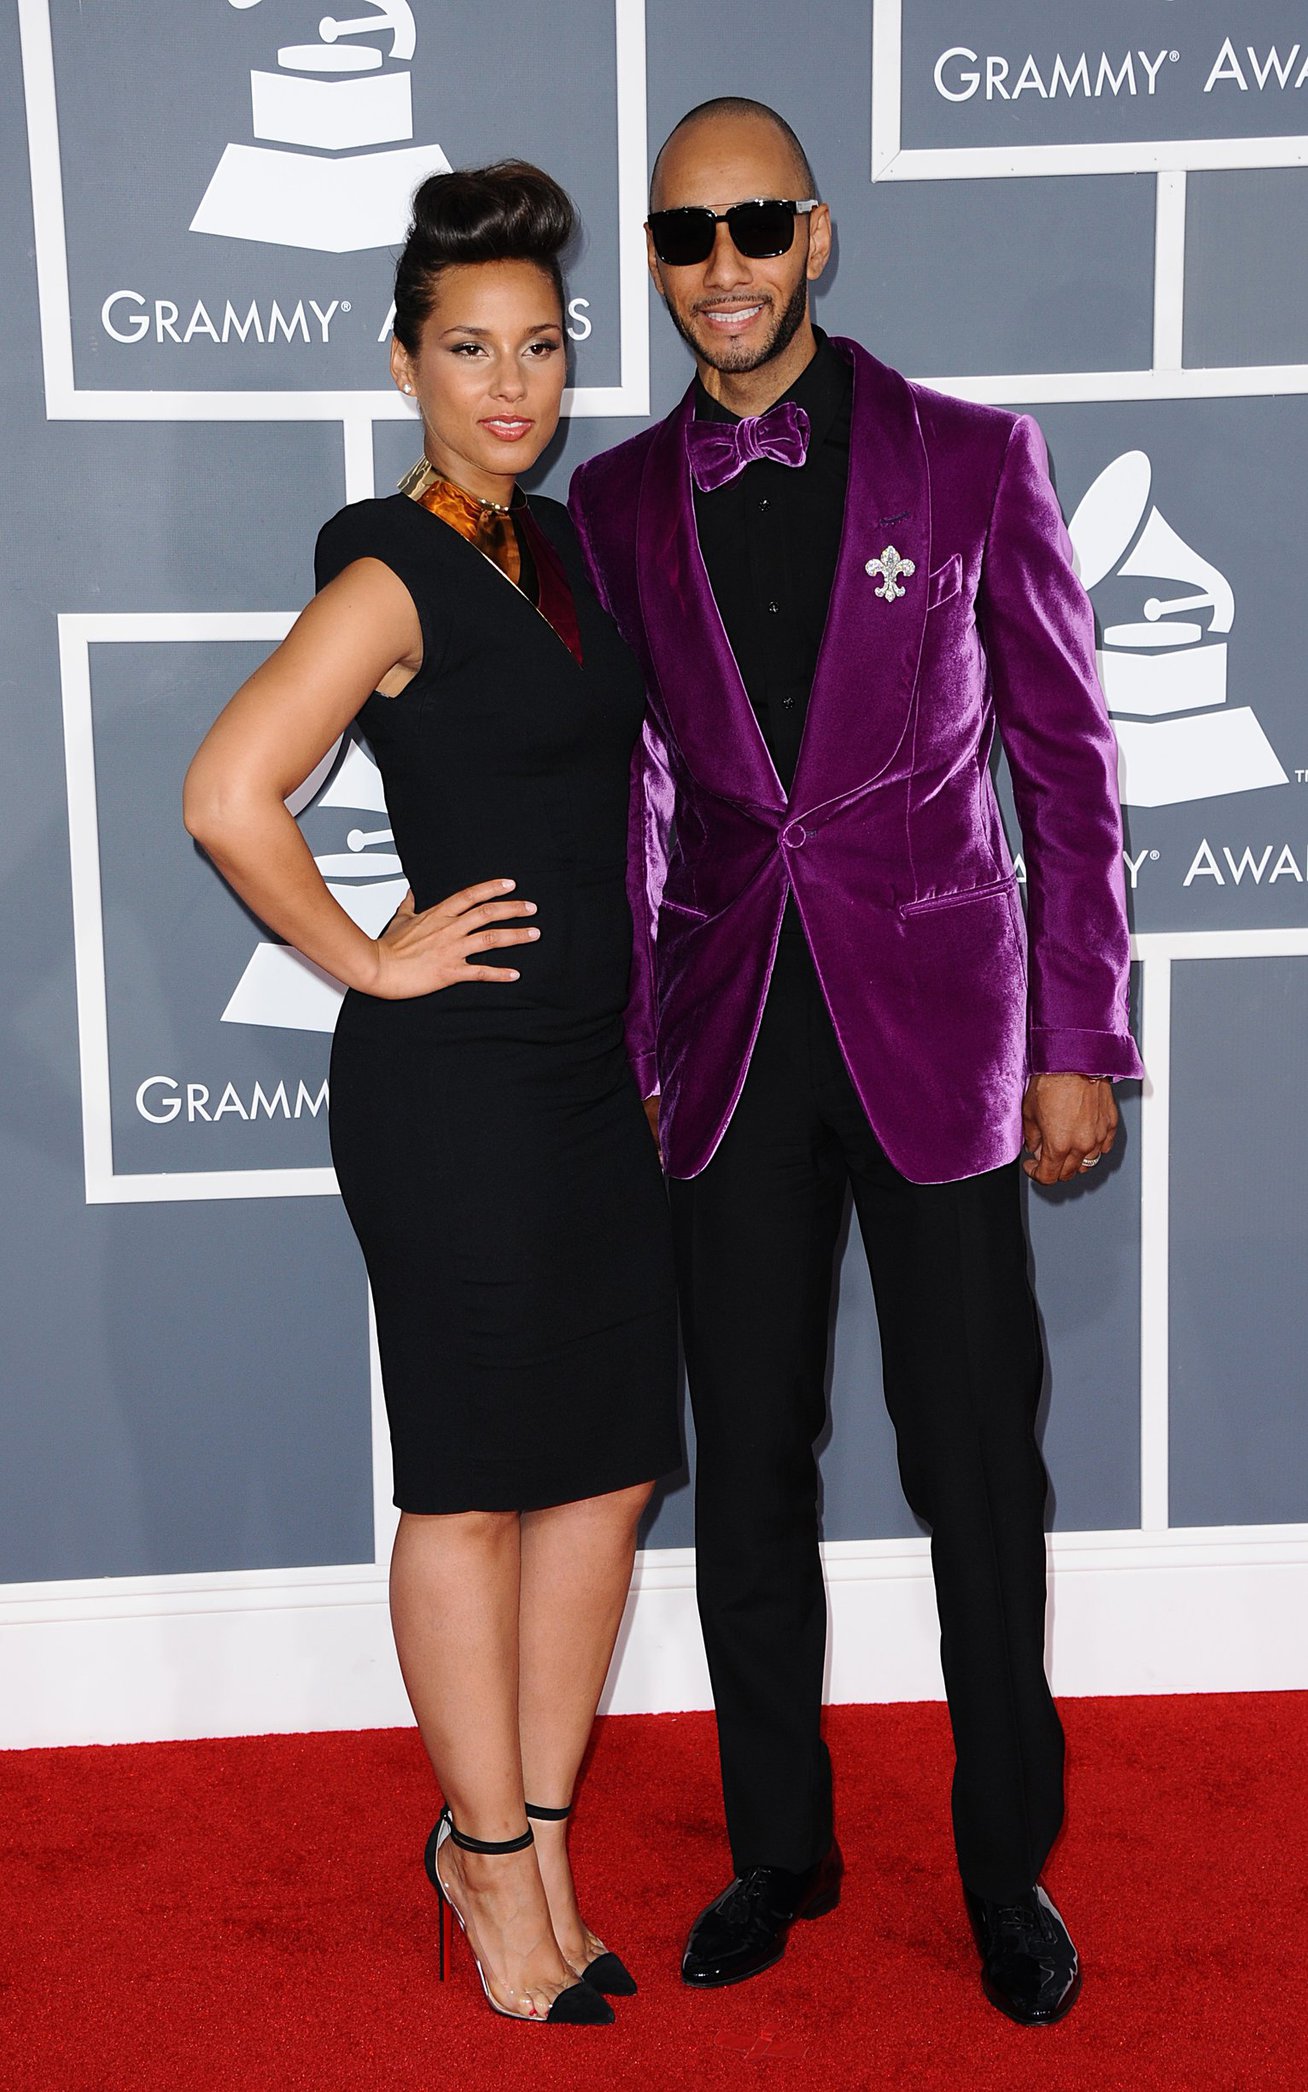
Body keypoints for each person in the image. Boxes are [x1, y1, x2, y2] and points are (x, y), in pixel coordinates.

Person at [569, 99, 1143, 2027]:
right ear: (658, 265)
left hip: (946, 1033)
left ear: (815, 236)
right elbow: (641, 792)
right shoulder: (618, 506)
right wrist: (639, 1041)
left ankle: (1005, 1872)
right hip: (728, 1034)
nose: (720, 267)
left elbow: (1067, 769)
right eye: (683, 237)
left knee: (975, 1465)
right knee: (746, 1466)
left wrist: (1080, 1036)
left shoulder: (972, 459)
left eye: (754, 225)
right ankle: (779, 1850)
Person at [184, 161, 679, 2028]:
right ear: (405, 363)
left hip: (591, 1077)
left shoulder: (559, 551)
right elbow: (229, 791)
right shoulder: (392, 566)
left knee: (605, 1477)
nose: (511, 383)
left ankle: (537, 1840)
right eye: (469, 348)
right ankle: (481, 1863)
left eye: (539, 347)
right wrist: (369, 957)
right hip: (455, 1092)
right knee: (473, 1491)